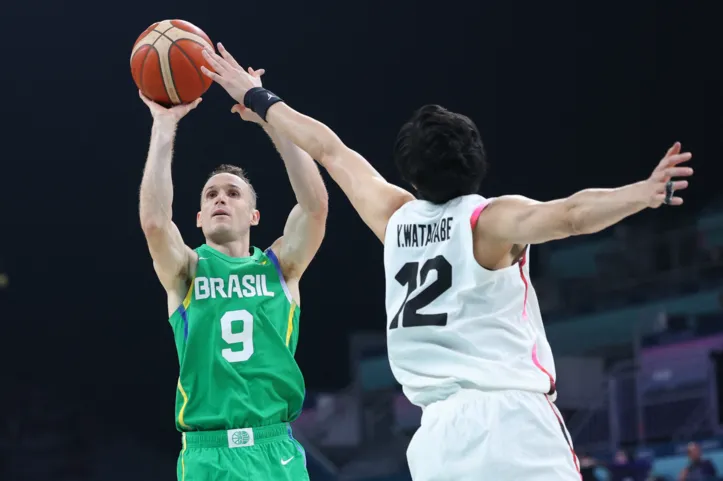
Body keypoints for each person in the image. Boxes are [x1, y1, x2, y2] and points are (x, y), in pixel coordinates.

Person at [199, 44, 693, 480]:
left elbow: (330, 149)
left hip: (437, 438)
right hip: (513, 423)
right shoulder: (489, 223)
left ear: (411, 176)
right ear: (477, 164)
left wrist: (260, 99)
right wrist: (643, 194)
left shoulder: (394, 218)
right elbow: (570, 216)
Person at [137, 71, 328, 481]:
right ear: (199, 217)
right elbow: (154, 222)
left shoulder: (281, 266)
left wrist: (271, 119)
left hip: (274, 447)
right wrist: (164, 125)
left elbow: (314, 206)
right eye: (211, 195)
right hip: (208, 454)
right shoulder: (187, 271)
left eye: (233, 193)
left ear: (254, 216)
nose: (221, 197)